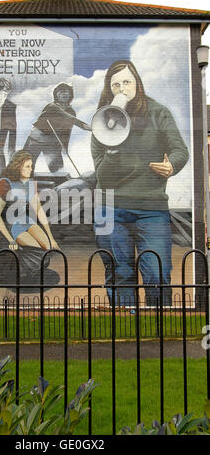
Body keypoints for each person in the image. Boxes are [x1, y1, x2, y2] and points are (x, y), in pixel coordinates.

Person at [91, 60, 189, 307]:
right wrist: (112, 143)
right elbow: (103, 177)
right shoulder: (103, 122)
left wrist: (172, 166)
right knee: (119, 274)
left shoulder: (158, 112)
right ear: (109, 89)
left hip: (151, 209)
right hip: (110, 208)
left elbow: (180, 150)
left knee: (157, 273)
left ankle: (158, 329)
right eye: (115, 85)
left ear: (137, 84)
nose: (121, 88)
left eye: (126, 82)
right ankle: (124, 330)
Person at [0, 150, 59, 252]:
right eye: (28, 166)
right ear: (18, 166)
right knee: (37, 250)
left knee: (48, 247)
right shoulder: (5, 183)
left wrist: (51, 238)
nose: (31, 169)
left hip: (27, 221)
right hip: (12, 224)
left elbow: (39, 210)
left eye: (31, 166)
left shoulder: (30, 184)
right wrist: (10, 240)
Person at [23, 82, 91, 173]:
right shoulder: (52, 106)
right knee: (26, 164)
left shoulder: (71, 111)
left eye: (66, 92)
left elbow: (67, 131)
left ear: (70, 95)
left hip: (52, 142)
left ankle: (59, 185)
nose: (63, 94)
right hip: (36, 139)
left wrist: (65, 147)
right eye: (60, 92)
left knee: (57, 169)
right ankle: (26, 185)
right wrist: (84, 126)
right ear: (56, 95)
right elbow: (67, 117)